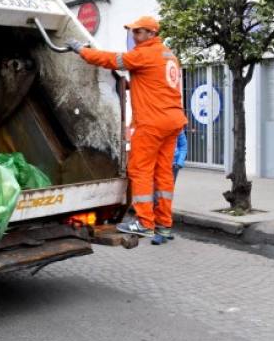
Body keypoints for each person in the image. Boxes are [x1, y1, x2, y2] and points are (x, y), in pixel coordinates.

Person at [67, 16, 187, 240]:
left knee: (140, 170)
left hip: (153, 122)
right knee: (163, 174)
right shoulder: (168, 55)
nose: (134, 36)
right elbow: (154, 83)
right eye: (133, 32)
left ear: (151, 34)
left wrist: (81, 50)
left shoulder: (144, 54)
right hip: (173, 121)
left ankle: (144, 223)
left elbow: (111, 60)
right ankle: (164, 223)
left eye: (139, 32)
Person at [152, 128, 188, 245]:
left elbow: (183, 146)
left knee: (165, 199)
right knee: (157, 199)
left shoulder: (177, 128)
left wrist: (179, 163)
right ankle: (162, 230)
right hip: (158, 166)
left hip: (172, 167)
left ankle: (163, 231)